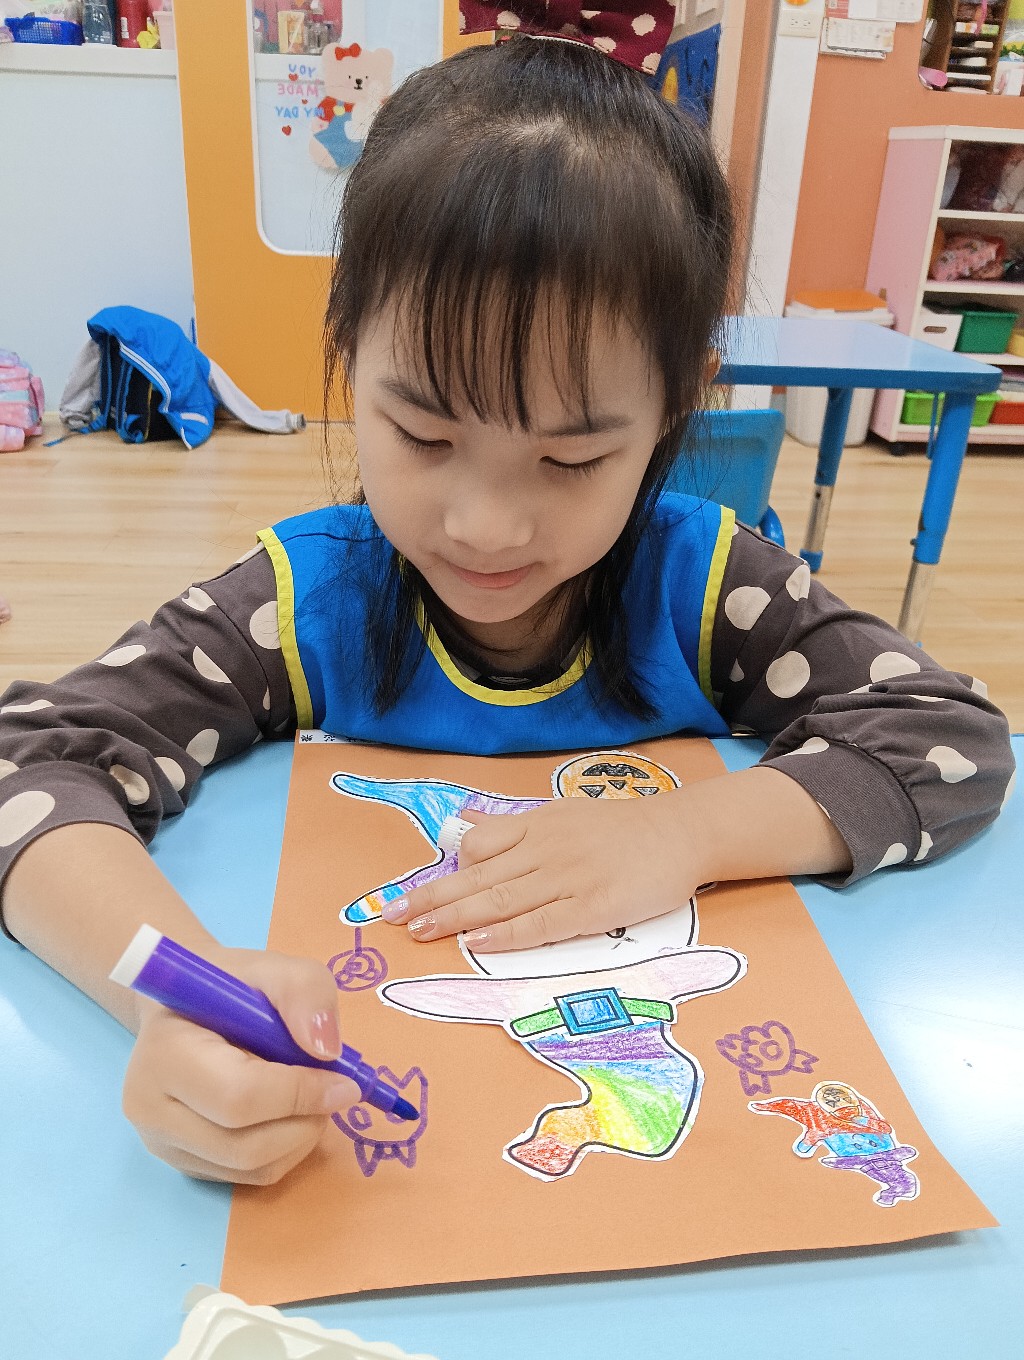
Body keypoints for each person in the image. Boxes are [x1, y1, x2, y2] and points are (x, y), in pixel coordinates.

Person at [0, 30, 1014, 1189]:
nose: (484, 526)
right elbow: (31, 765)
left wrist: (681, 834)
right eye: (424, 436)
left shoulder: (704, 585)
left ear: (674, 405)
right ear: (346, 350)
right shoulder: (304, 600)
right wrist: (173, 996)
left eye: (571, 460)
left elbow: (948, 738)